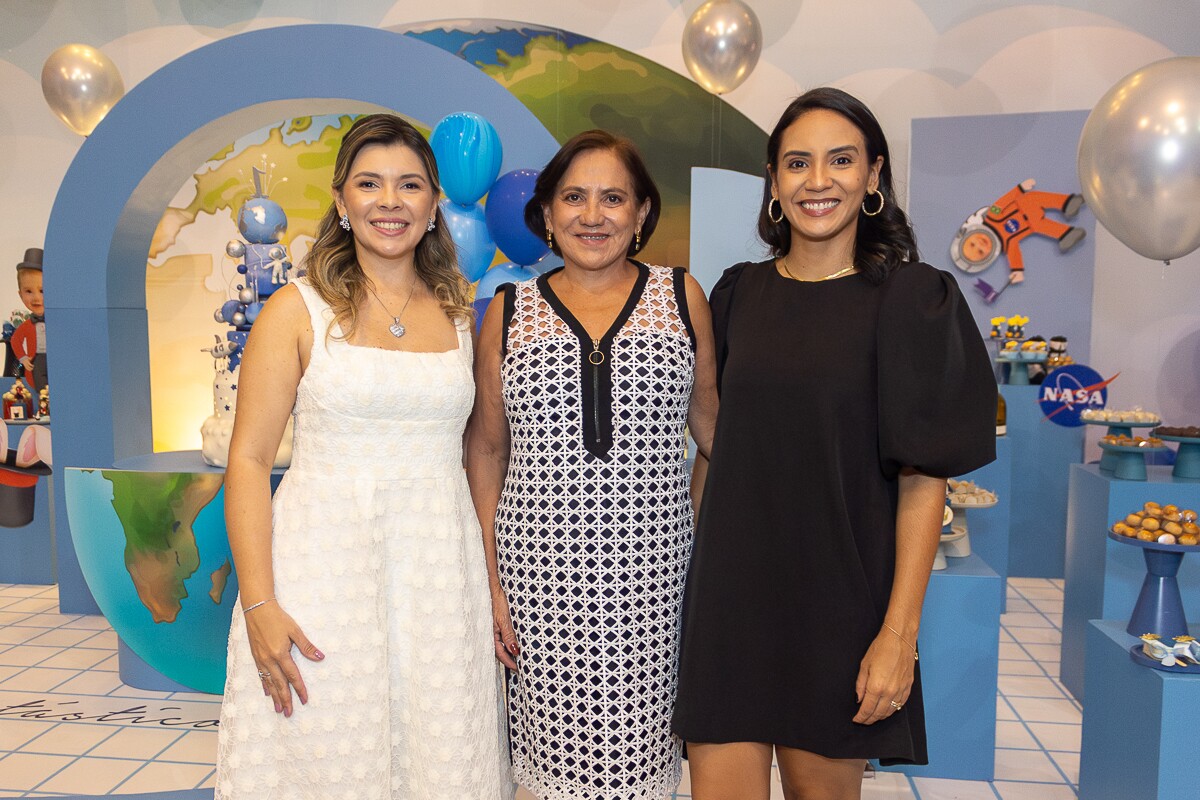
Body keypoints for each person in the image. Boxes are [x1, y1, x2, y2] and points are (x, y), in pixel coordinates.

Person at [672, 88, 996, 800]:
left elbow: (923, 480)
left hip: (837, 608)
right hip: (731, 603)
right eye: (797, 163)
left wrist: (897, 637)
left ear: (873, 175)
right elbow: (715, 446)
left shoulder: (914, 300)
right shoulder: (737, 295)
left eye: (841, 160)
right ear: (774, 180)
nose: (818, 181)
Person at [216, 114, 511, 799]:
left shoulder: (461, 312)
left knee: (442, 754)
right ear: (341, 200)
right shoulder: (295, 310)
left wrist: (492, 582)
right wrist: (259, 604)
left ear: (434, 201)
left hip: (440, 577)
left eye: (409, 185)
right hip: (323, 575)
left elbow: (479, 459)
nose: (390, 201)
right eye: (370, 183)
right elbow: (250, 463)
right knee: (324, 753)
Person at [466, 129, 719, 799]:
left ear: (640, 213)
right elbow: (487, 450)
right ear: (546, 213)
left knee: (646, 764)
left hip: (657, 590)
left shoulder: (683, 298)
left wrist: (693, 533)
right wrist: (490, 579)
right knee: (551, 772)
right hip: (539, 592)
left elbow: (716, 433)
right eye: (574, 197)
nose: (593, 215)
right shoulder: (509, 314)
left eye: (614, 198)